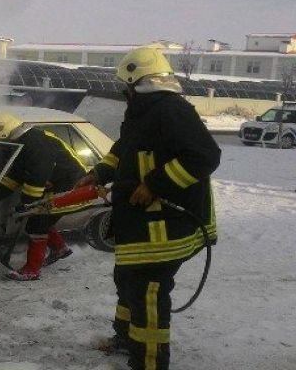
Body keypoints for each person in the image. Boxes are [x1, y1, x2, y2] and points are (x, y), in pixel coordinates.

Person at [76, 45, 221, 370]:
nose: (124, 92)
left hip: (166, 227)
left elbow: (205, 156)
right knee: (126, 278)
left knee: (148, 294)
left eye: (126, 86)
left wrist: (155, 184)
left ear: (136, 81)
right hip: (141, 223)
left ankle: (149, 362)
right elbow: (125, 147)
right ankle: (125, 337)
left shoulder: (171, 110)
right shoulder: (143, 111)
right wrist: (99, 172)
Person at [0, 112, 90, 281]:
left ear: (7, 133)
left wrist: (27, 205)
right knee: (42, 218)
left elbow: (37, 177)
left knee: (37, 225)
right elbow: (18, 174)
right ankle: (60, 249)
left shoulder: (35, 145)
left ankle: (32, 270)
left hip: (71, 185)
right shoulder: (22, 143)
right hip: (56, 182)